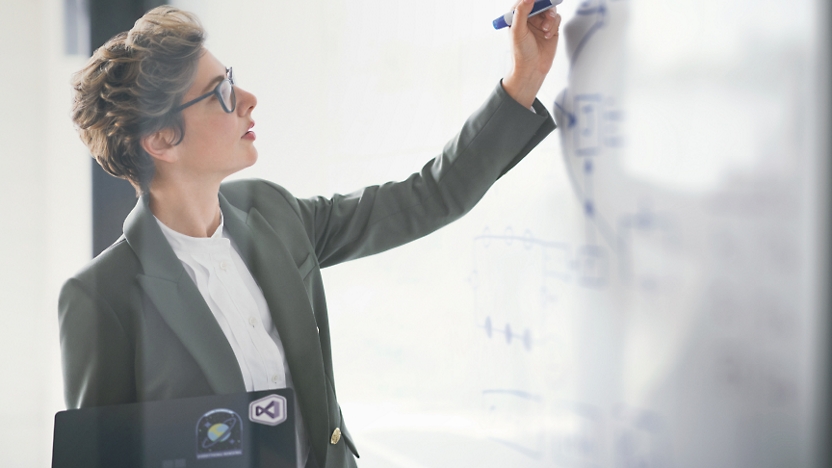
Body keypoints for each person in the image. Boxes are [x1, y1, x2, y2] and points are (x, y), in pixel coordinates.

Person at [58, 2, 561, 467]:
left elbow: (425, 197)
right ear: (162, 139)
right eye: (221, 93)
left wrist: (524, 81)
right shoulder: (101, 296)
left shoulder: (272, 212)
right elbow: (106, 458)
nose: (249, 99)